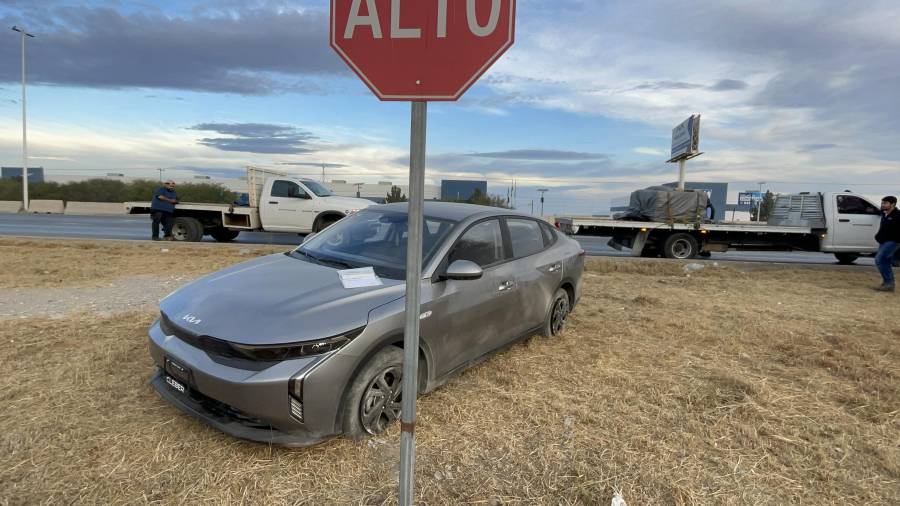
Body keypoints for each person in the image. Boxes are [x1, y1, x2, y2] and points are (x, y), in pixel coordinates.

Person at [873, 196, 900, 292]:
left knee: (879, 259)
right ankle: (888, 284)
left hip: (893, 241)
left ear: (892, 204)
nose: (883, 205)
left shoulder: (897, 215)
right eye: (882, 203)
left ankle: (889, 283)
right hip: (883, 241)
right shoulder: (885, 214)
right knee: (886, 262)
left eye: (885, 203)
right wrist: (878, 236)